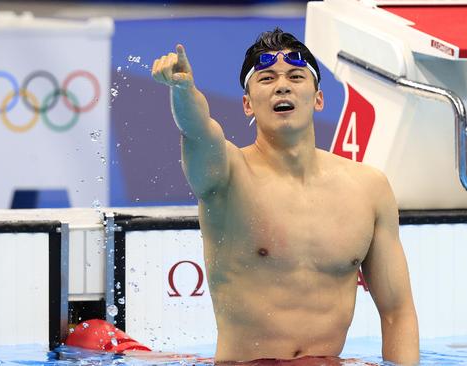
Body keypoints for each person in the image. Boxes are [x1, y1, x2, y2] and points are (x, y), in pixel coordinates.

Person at [151, 28, 419, 364]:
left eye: (295, 76)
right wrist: (183, 90)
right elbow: (198, 129)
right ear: (247, 104)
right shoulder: (228, 174)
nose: (282, 85)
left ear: (318, 99)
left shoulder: (369, 188)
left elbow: (397, 313)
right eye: (266, 78)